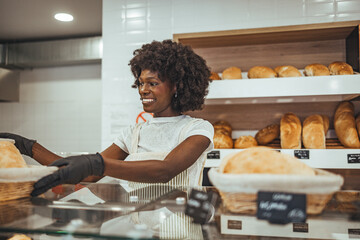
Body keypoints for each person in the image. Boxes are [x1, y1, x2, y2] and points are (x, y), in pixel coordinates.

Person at [0, 39, 214, 196]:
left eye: (153, 83)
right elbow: (87, 175)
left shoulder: (198, 129)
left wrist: (97, 164)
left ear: (176, 86)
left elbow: (164, 170)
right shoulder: (134, 132)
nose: (143, 90)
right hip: (139, 229)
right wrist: (28, 147)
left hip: (182, 230)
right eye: (140, 83)